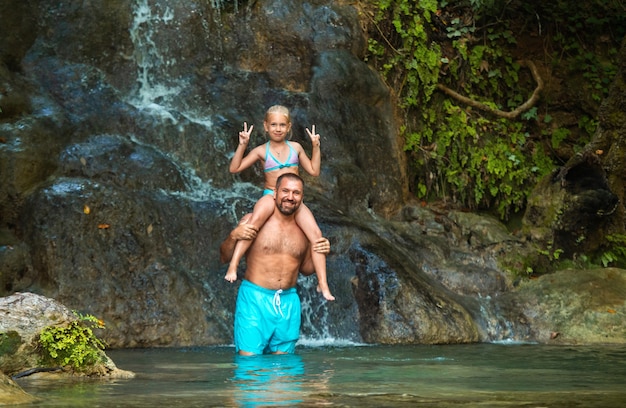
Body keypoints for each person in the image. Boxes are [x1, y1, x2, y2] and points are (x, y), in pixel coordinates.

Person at [225, 105, 334, 301]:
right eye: (273, 124)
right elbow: (235, 168)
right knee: (253, 223)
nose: (278, 128)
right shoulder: (260, 151)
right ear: (265, 126)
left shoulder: (296, 148)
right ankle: (233, 264)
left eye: (282, 125)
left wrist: (316, 146)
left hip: (293, 199)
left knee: (316, 235)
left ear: (289, 127)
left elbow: (314, 171)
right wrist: (242, 144)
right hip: (270, 195)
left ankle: (323, 284)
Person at [220, 173, 332, 355]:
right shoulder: (252, 221)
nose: (290, 197)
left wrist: (324, 251)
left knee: (284, 370)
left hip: (288, 302)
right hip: (255, 299)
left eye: (296, 193)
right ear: (275, 193)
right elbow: (224, 257)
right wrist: (233, 236)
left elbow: (306, 269)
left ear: (302, 198)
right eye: (285, 191)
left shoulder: (305, 230)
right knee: (250, 365)